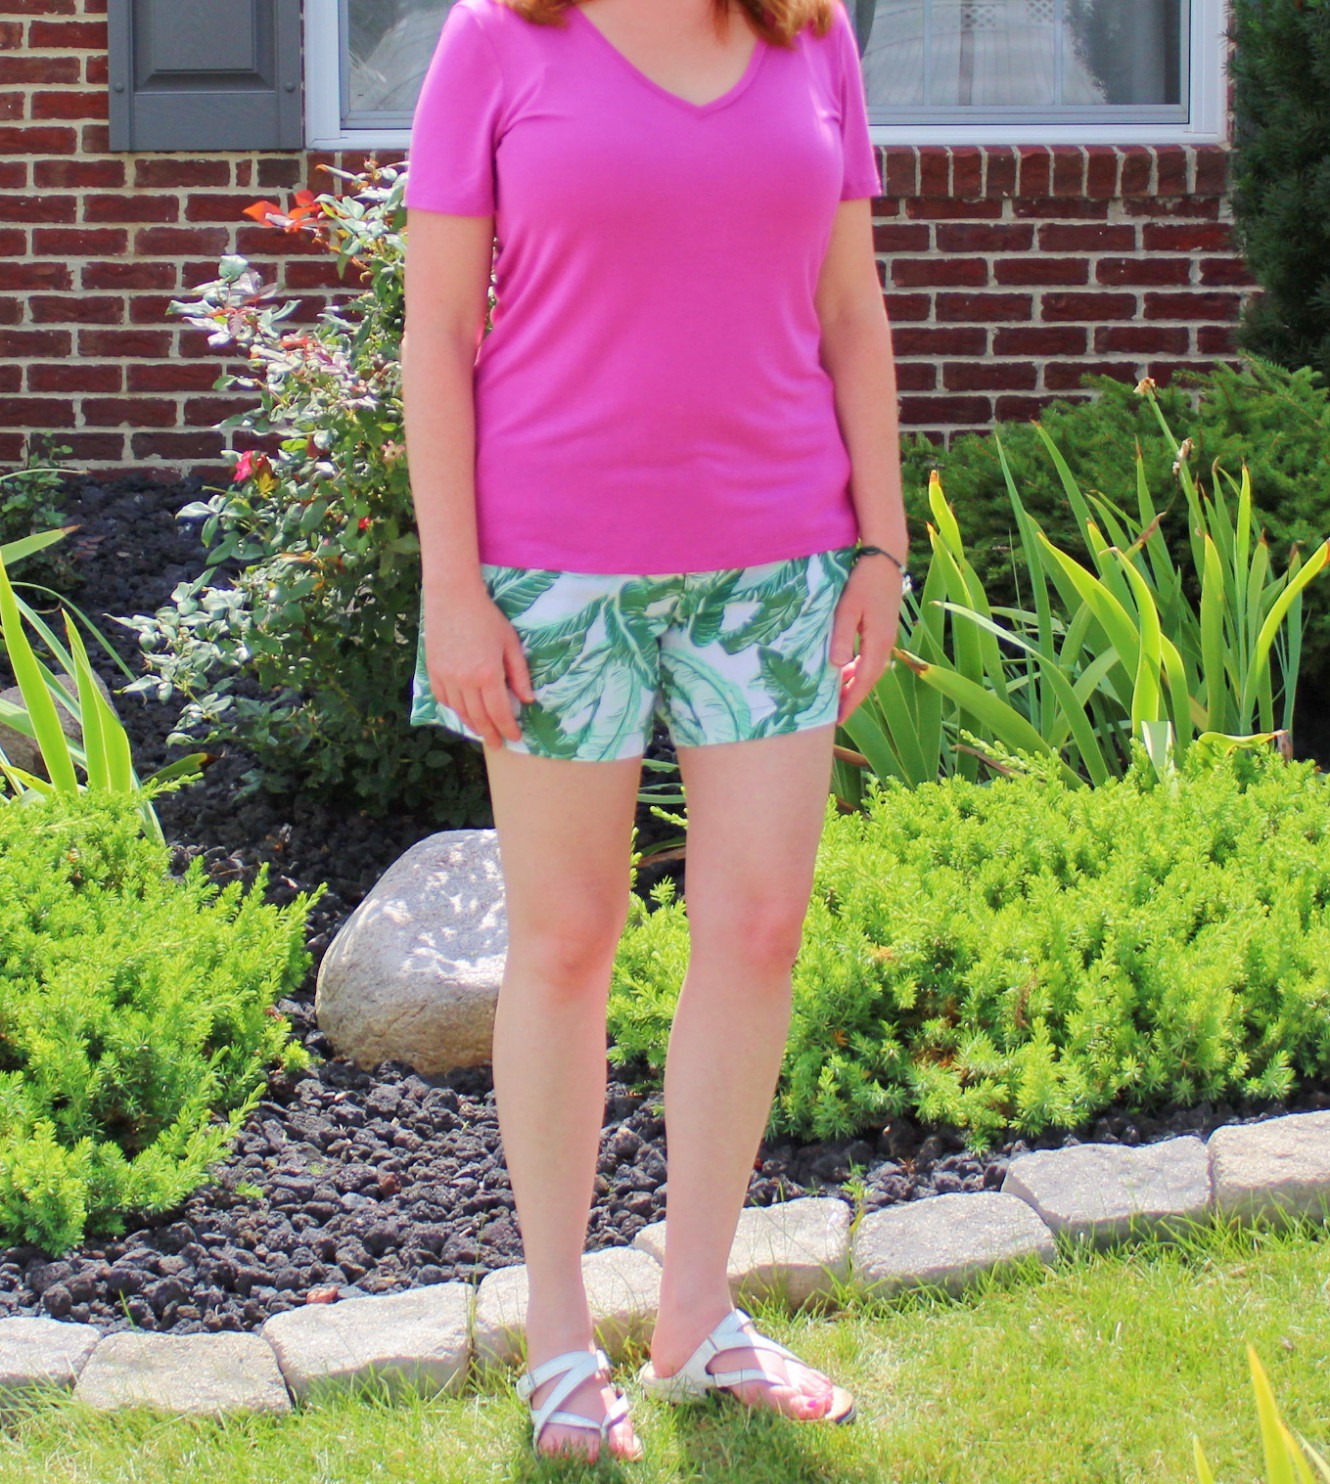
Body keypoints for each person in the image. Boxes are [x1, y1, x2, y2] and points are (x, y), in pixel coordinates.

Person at [401, 0, 909, 1461]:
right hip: (551, 573)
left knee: (754, 929)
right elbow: (436, 331)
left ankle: (695, 1315)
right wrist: (450, 587)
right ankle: (558, 1341)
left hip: (776, 560)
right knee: (565, 941)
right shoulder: (498, 38)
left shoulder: (808, 39)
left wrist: (877, 545)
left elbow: (849, 312)